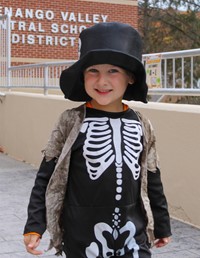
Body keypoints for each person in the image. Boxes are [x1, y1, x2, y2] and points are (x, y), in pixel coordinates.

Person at [23, 22, 171, 257]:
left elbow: (152, 176)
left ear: (130, 77)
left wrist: (162, 223)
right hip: (81, 235)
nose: (102, 81)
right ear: (82, 76)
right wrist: (35, 224)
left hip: (134, 232)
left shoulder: (142, 124)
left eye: (113, 71)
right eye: (93, 71)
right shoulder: (70, 121)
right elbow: (47, 176)